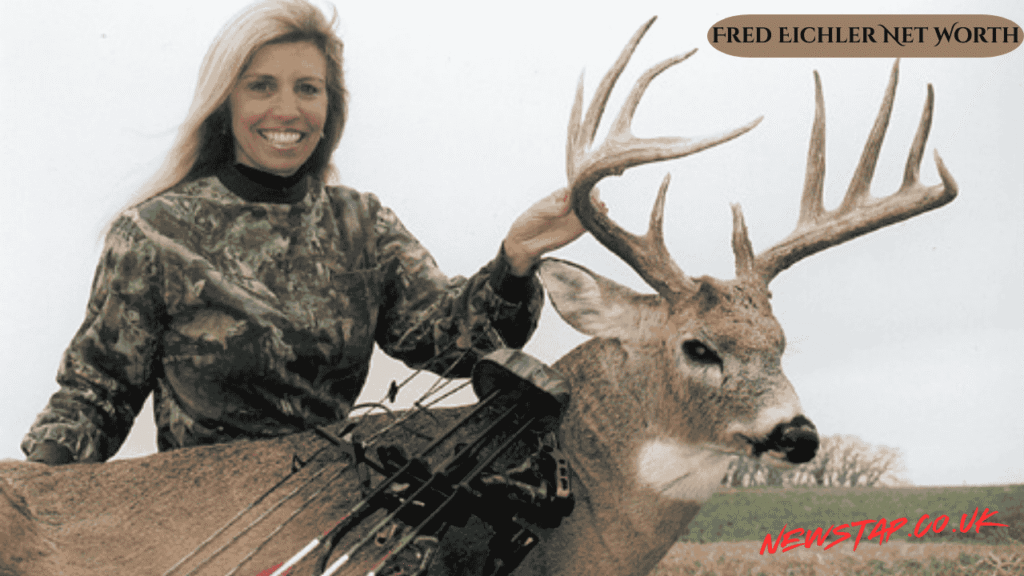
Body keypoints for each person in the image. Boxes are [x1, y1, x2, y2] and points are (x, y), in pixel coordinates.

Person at [23, 0, 591, 465]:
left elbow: (452, 341)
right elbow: (96, 394)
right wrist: (29, 494)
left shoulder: (362, 224)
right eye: (261, 86)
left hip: (334, 504)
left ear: (330, 106)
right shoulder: (152, 234)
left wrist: (516, 259)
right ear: (225, 103)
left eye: (307, 89)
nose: (287, 109)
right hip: (198, 520)